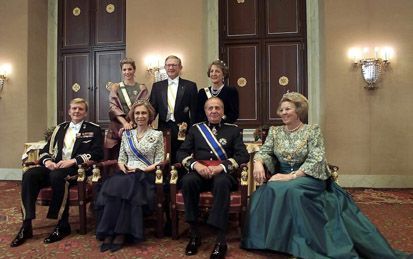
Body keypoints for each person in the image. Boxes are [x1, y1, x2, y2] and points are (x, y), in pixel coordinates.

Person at [241, 92, 407, 259]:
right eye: (281, 109)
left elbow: (316, 158)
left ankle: (303, 245)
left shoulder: (312, 131)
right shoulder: (275, 132)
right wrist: (258, 162)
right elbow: (265, 151)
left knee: (293, 191)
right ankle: (273, 243)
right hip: (283, 177)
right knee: (265, 191)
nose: (283, 112)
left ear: (298, 111)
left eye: (288, 109)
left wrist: (291, 176)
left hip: (309, 177)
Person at [10, 98, 103, 247]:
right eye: (74, 108)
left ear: (85, 112)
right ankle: (26, 225)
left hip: (77, 169)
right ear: (69, 111)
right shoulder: (60, 128)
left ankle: (62, 224)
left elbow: (98, 153)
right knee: (29, 175)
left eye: (80, 109)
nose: (76, 111)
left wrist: (73, 161)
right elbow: (46, 150)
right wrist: (47, 162)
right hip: (55, 166)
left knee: (57, 176)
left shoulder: (94, 129)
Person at [177, 97, 249, 258]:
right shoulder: (196, 129)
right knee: (188, 181)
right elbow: (181, 152)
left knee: (222, 182)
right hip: (199, 173)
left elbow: (243, 155)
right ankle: (194, 234)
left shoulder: (233, 130)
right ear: (205, 111)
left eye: (217, 108)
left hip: (223, 174)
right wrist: (196, 165)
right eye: (210, 108)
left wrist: (221, 167)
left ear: (223, 111)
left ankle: (220, 240)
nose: (214, 111)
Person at [95, 100, 164, 253]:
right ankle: (109, 232)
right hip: (126, 172)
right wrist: (124, 167)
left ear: (150, 115)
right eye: (137, 113)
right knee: (115, 188)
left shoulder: (157, 134)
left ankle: (119, 233)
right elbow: (121, 159)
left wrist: (143, 170)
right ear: (133, 115)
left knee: (126, 187)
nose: (140, 116)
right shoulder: (127, 135)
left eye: (144, 113)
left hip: (145, 175)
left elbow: (160, 160)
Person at [149, 55, 197, 163]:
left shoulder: (190, 86)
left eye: (174, 65)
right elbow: (152, 109)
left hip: (183, 129)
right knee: (163, 156)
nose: (171, 67)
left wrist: (193, 131)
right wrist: (147, 125)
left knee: (181, 156)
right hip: (163, 127)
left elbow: (194, 111)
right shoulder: (157, 86)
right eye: (168, 65)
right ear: (165, 67)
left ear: (180, 67)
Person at [106, 57, 148, 159]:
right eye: (124, 70)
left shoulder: (141, 88)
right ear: (121, 71)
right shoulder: (116, 87)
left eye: (130, 69)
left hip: (136, 125)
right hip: (118, 125)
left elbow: (143, 106)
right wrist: (124, 123)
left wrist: (132, 123)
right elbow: (113, 106)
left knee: (135, 155)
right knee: (116, 156)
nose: (127, 72)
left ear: (134, 70)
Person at [196, 60, 239, 124]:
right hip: (207, 129)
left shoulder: (231, 91)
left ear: (223, 74)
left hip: (225, 127)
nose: (214, 74)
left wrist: (218, 121)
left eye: (217, 71)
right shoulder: (202, 92)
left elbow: (234, 114)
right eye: (211, 71)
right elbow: (199, 114)